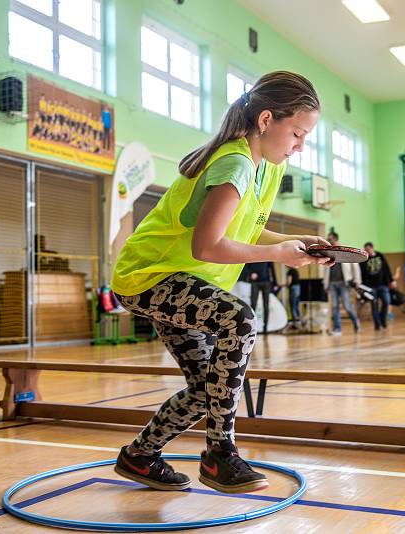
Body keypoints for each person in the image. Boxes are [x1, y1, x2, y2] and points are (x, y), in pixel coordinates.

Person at [110, 71, 330, 493]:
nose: (301, 145)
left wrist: (297, 242)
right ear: (266, 120)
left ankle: (140, 456)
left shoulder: (264, 167)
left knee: (207, 385)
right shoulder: (236, 163)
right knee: (240, 320)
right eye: (298, 133)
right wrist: (277, 254)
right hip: (148, 276)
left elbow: (244, 229)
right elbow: (207, 245)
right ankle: (219, 455)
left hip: (182, 280)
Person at [323, 231, 361, 335]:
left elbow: (355, 266)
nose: (328, 240)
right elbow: (325, 269)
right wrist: (325, 284)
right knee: (334, 306)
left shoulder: (344, 250)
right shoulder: (328, 252)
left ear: (335, 239)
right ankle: (337, 329)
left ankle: (355, 322)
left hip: (344, 283)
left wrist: (357, 281)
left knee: (347, 305)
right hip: (332, 284)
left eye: (330, 239)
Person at [360, 242, 395, 330]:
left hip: (382, 284)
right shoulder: (364, 259)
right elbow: (362, 273)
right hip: (371, 287)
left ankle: (382, 319)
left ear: (372, 248)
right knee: (374, 305)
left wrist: (391, 281)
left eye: (368, 249)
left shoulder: (380, 256)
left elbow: (387, 269)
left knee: (386, 302)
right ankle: (377, 324)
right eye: (365, 249)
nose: (367, 251)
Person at [243, 261, 278, 334]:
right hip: (255, 282)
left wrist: (275, 283)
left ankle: (265, 328)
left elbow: (272, 269)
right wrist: (250, 274)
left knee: (266, 305)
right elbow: (246, 267)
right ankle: (252, 328)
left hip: (266, 282)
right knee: (253, 305)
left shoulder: (268, 255)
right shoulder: (253, 254)